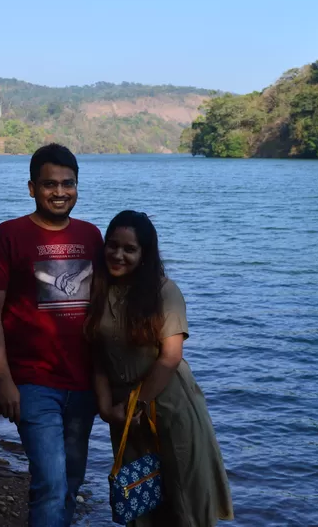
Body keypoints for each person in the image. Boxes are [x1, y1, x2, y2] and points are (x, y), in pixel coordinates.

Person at [0, 143, 104, 527]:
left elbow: (108, 306)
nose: (60, 192)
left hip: (84, 385)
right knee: (50, 482)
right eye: (50, 184)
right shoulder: (8, 235)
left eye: (68, 183)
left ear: (78, 186)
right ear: (32, 188)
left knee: (70, 482)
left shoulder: (92, 235)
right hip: (32, 383)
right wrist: (3, 381)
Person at [86, 210, 234, 526]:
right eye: (112, 245)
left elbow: (170, 357)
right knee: (140, 502)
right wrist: (105, 408)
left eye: (129, 249)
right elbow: (97, 356)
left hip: (171, 406)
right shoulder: (98, 290)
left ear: (144, 254)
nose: (118, 254)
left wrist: (133, 406)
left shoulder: (164, 292)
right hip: (126, 414)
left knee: (185, 499)